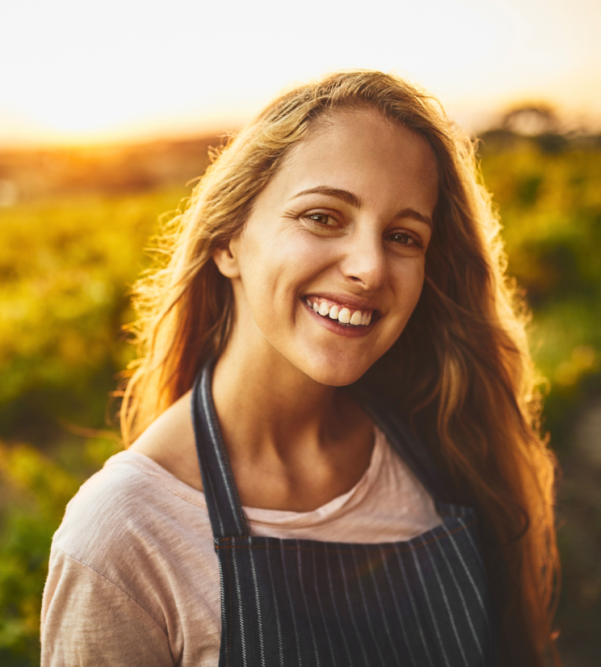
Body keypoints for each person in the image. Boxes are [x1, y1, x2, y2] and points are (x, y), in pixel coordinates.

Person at [40, 70, 559, 667]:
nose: (369, 267)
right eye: (323, 217)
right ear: (229, 241)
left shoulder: (445, 441)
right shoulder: (124, 535)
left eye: (403, 236)